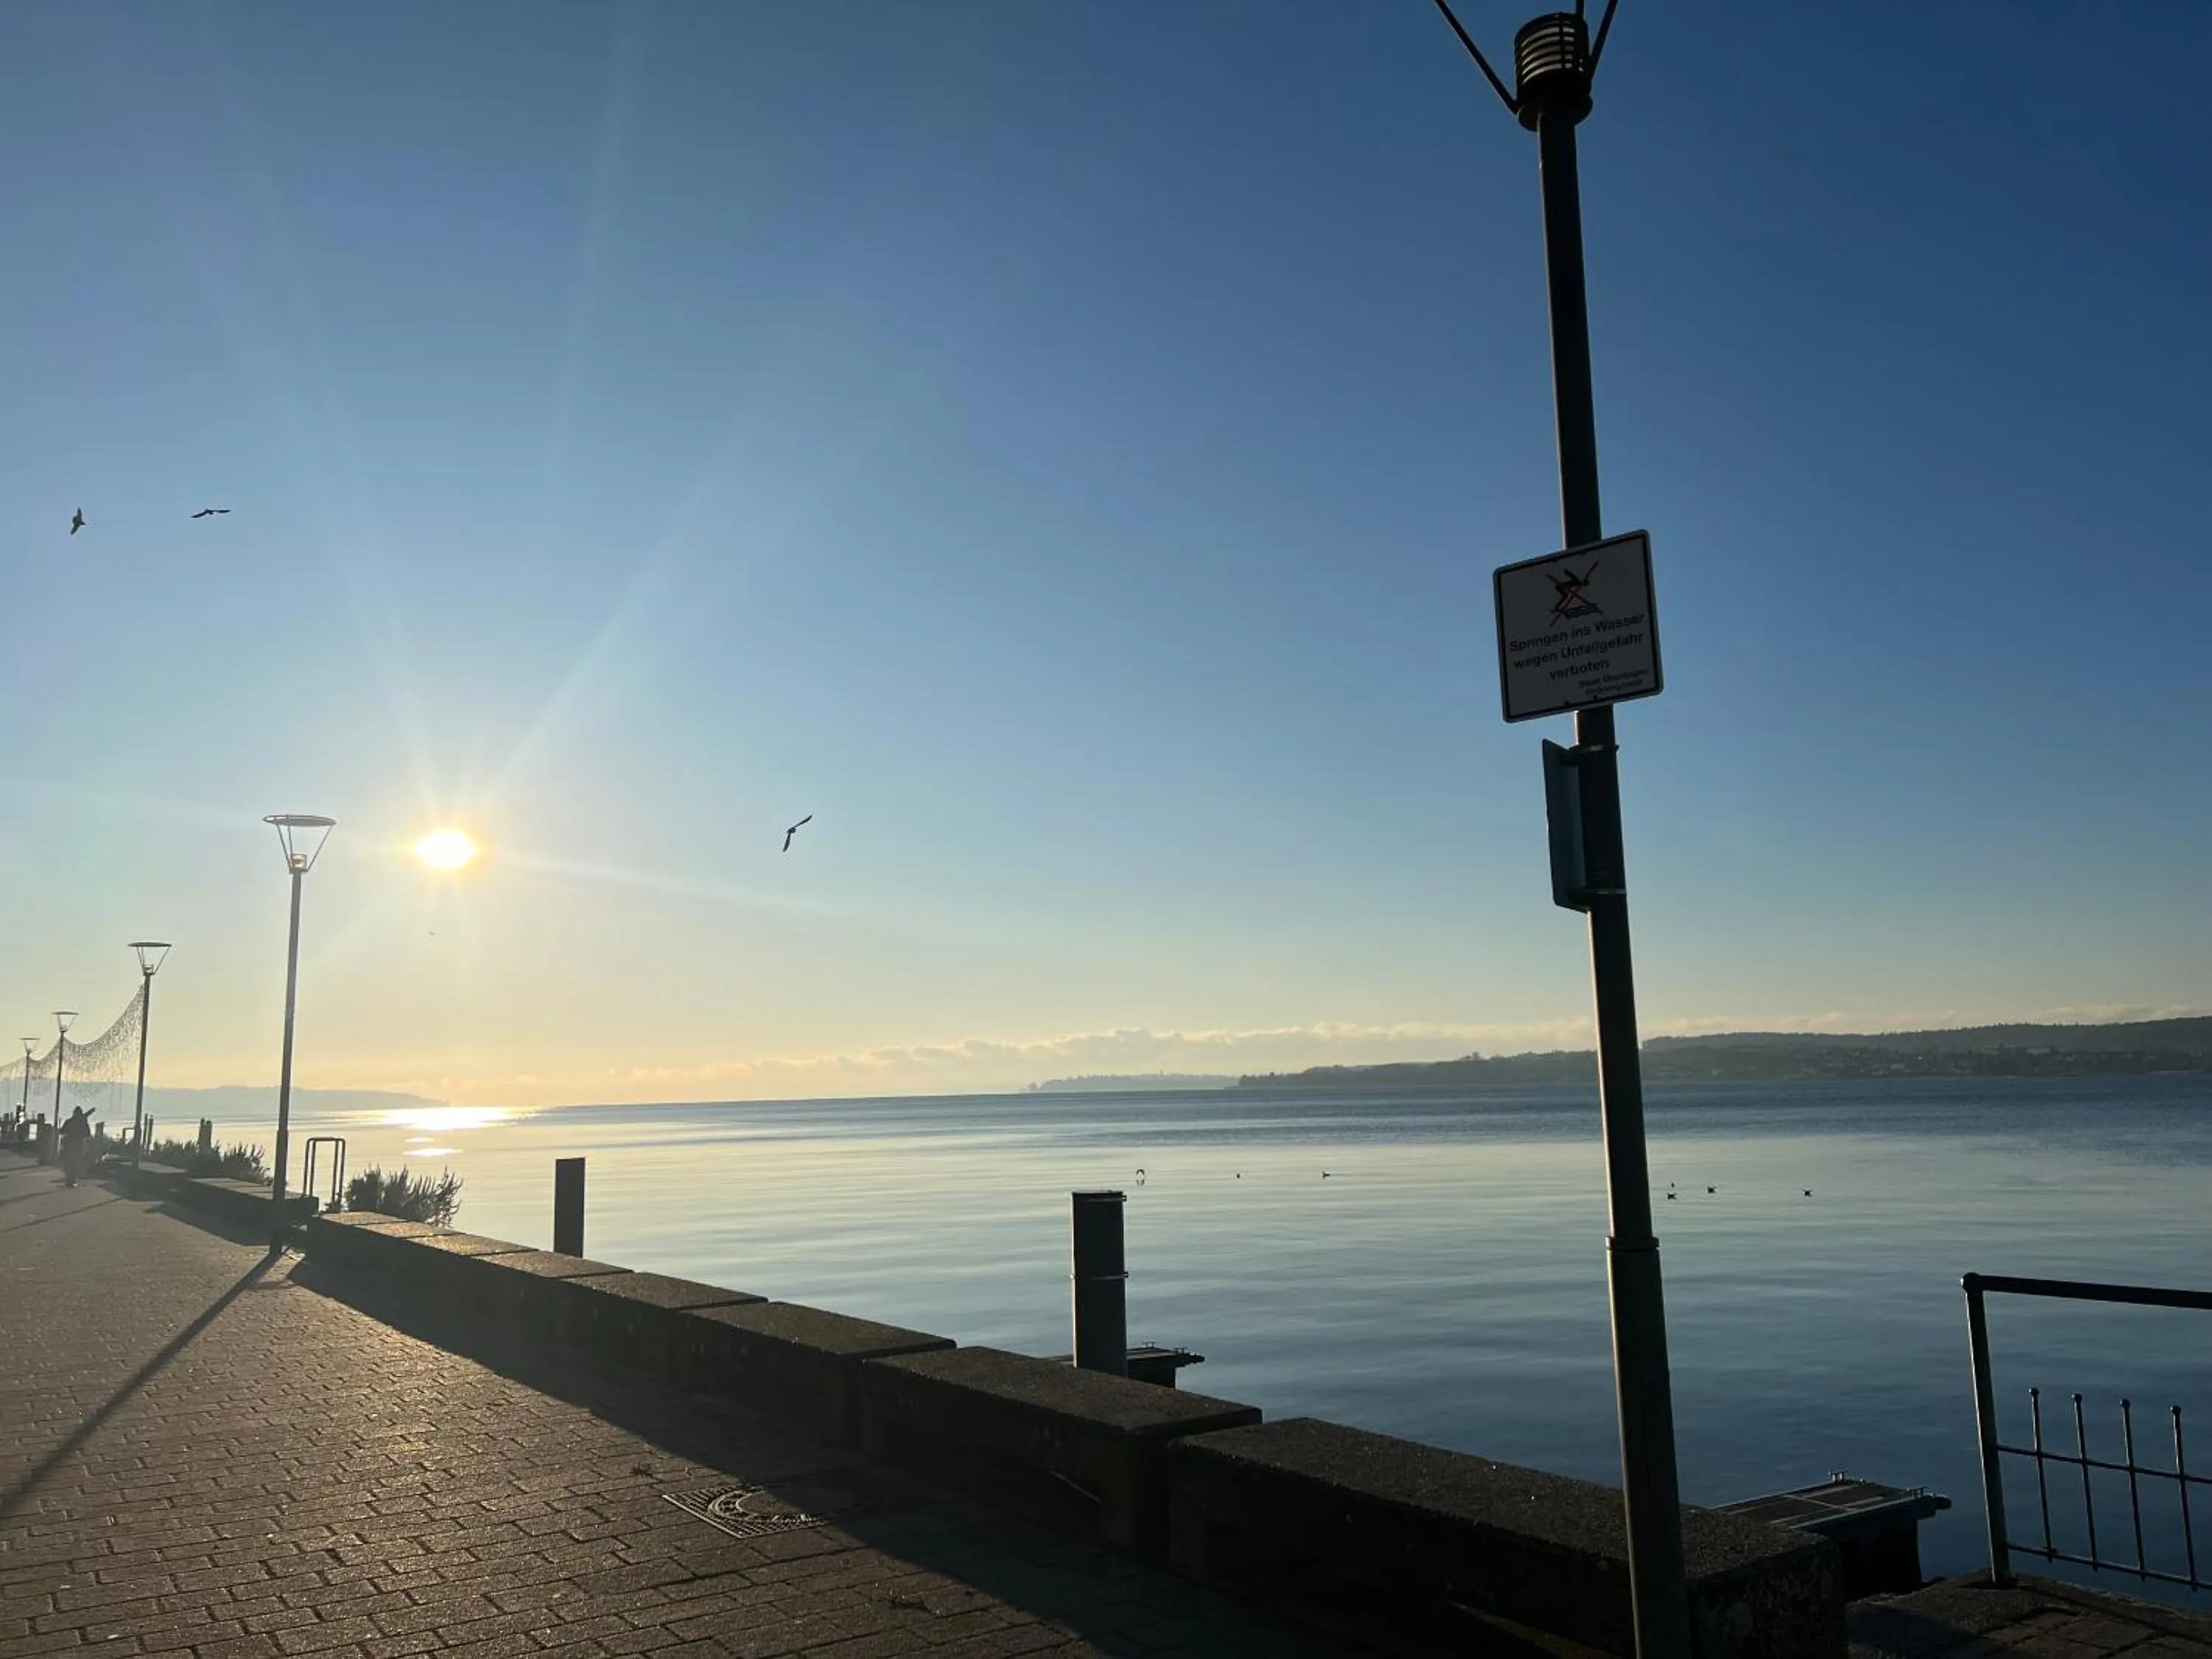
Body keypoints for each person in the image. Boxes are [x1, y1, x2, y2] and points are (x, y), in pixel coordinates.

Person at [58, 1105, 93, 1188]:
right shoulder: (83, 1121)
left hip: (68, 1145)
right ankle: (73, 1180)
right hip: (79, 1145)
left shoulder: (69, 1121)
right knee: (75, 1163)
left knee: (68, 1163)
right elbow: (87, 1133)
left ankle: (68, 1179)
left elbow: (62, 1132)